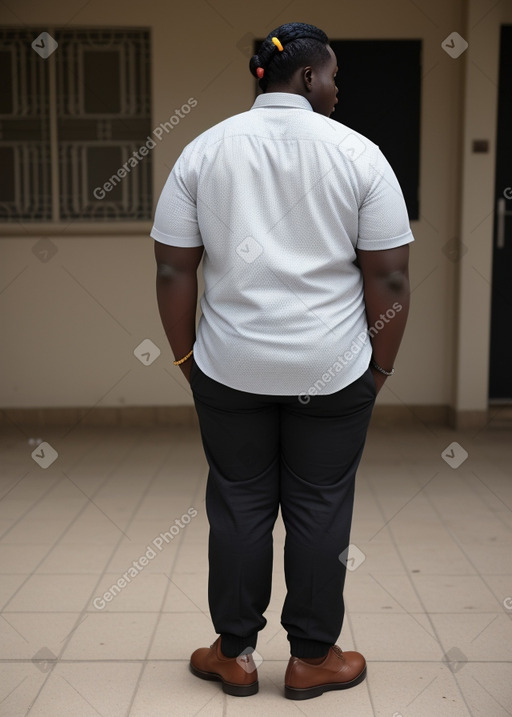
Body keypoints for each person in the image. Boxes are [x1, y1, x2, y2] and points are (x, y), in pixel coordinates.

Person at [152, 21, 413, 701]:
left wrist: (187, 356)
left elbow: (174, 268)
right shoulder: (360, 154)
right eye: (332, 77)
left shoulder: (204, 151)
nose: (336, 89)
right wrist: (378, 369)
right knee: (320, 506)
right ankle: (312, 658)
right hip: (334, 370)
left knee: (238, 505)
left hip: (230, 367)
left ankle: (234, 654)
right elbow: (388, 279)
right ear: (305, 77)